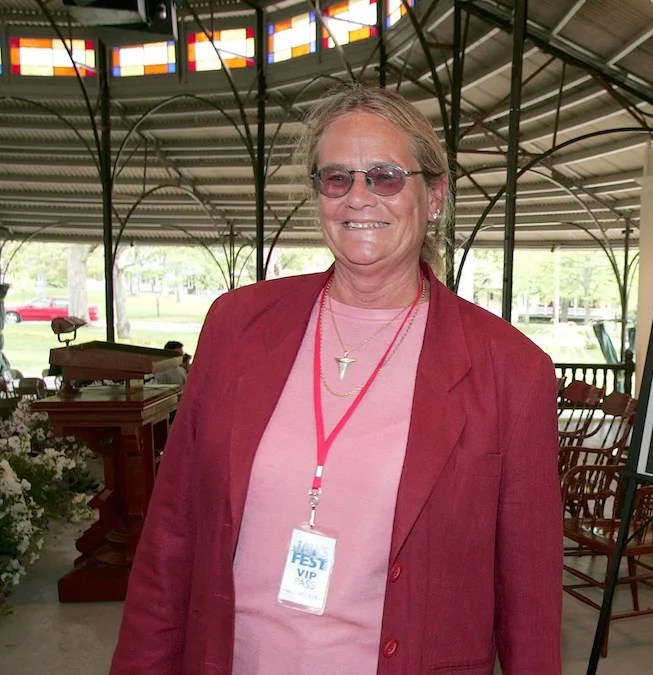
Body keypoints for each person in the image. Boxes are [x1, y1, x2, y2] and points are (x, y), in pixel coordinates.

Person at [111, 83, 563, 673]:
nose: (359, 198)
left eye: (385, 176)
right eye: (337, 179)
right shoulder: (238, 325)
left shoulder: (511, 369)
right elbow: (171, 536)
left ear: (434, 197)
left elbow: (529, 602)